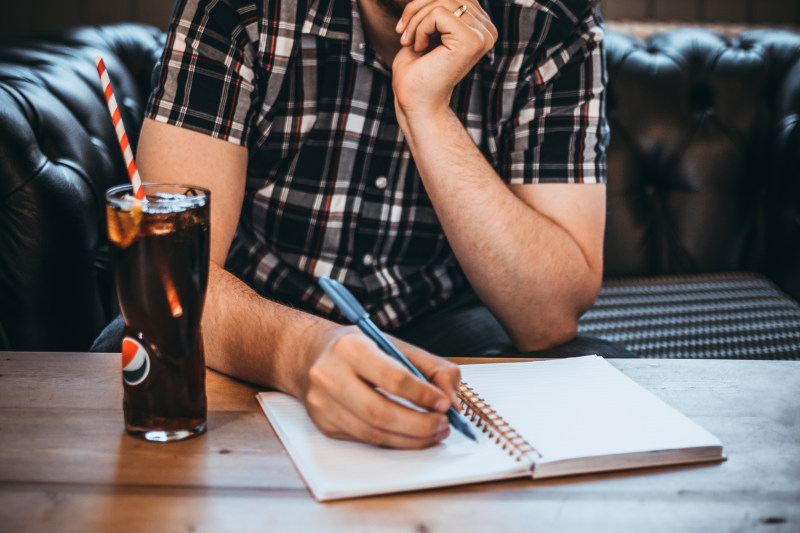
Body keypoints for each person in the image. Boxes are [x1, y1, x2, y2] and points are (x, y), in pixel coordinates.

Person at [96, 0, 631, 449]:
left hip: (445, 321)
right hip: (253, 317)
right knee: (124, 351)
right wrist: (299, 351)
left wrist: (427, 111)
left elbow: (549, 316)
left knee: (595, 376)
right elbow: (167, 276)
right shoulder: (237, 9)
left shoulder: (555, 23)